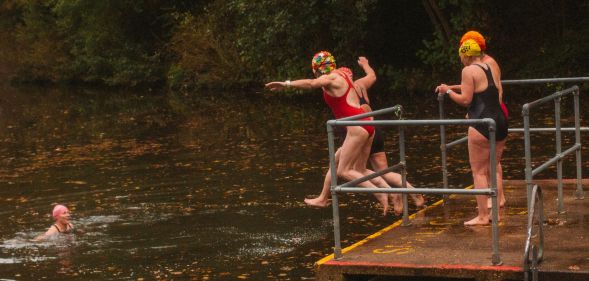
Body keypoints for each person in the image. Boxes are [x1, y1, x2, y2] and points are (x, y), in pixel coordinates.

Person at [265, 51, 399, 215]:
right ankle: (324, 198)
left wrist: (286, 84)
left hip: (356, 127)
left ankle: (382, 194)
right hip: (365, 123)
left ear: (317, 69)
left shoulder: (330, 78)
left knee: (344, 171)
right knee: (350, 166)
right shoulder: (342, 74)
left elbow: (311, 84)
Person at [304, 57, 424, 211]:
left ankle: (323, 198)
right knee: (382, 171)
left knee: (337, 165)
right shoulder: (359, 85)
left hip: (359, 132)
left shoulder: (339, 87)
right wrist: (366, 65)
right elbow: (373, 76)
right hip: (373, 130)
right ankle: (414, 194)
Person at [435, 39, 508, 226]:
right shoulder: (488, 66)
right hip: (500, 120)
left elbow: (466, 100)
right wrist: (451, 86)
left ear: (465, 55)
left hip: (481, 122)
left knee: (479, 172)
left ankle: (483, 216)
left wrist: (448, 92)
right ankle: (497, 212)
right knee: (494, 167)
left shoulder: (468, 71)